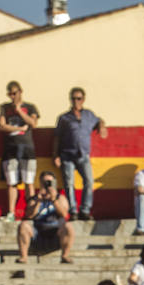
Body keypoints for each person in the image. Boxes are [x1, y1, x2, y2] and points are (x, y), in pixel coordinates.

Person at [53, 87, 107, 221]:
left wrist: (101, 126)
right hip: (67, 154)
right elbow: (57, 137)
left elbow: (99, 120)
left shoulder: (89, 115)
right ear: (70, 99)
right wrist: (55, 155)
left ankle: (85, 209)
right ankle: (73, 211)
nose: (76, 101)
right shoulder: (64, 118)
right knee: (69, 183)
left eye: (79, 98)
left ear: (83, 100)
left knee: (89, 181)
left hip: (83, 155)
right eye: (73, 98)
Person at [0, 80, 39, 221]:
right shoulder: (4, 107)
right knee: (12, 182)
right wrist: (19, 129)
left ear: (20, 92)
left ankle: (31, 212)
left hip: (27, 148)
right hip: (10, 148)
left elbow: (33, 123)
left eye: (14, 93)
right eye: (10, 94)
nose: (12, 96)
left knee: (29, 181)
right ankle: (11, 212)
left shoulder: (30, 107)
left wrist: (19, 111)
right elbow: (2, 126)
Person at [16, 170, 74, 264]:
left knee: (69, 227)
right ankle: (23, 257)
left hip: (56, 234)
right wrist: (38, 201)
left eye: (49, 182)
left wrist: (54, 199)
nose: (47, 185)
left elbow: (64, 214)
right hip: (38, 234)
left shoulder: (60, 198)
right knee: (23, 225)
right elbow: (29, 215)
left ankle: (65, 255)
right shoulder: (35, 199)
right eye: (44, 182)